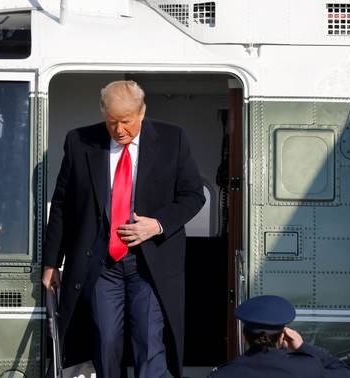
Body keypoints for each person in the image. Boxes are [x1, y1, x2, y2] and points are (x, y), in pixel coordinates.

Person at [42, 80, 205, 378]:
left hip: (150, 262)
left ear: (142, 113)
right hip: (102, 262)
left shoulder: (173, 139)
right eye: (112, 122)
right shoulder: (80, 141)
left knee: (148, 342)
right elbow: (63, 204)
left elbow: (194, 195)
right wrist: (52, 261)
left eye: (126, 122)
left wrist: (157, 224)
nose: (119, 130)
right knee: (105, 342)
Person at [208, 295, 350, 378]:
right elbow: (347, 374)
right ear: (283, 336)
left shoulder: (222, 375)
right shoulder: (309, 369)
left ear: (244, 336)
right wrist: (303, 347)